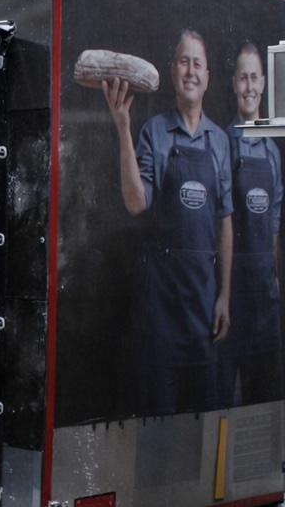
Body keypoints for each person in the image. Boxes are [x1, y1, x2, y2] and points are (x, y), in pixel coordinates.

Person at [102, 28, 232, 415]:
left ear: (207, 77)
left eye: (198, 63)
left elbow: (226, 222)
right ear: (172, 72)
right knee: (158, 440)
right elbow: (135, 203)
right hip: (161, 316)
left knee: (202, 434)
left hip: (205, 315)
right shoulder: (154, 132)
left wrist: (225, 295)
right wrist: (123, 127)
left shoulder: (220, 141)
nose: (190, 71)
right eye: (183, 61)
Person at [221, 43, 284, 406]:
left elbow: (273, 226)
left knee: (266, 409)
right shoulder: (224, 143)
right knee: (227, 410)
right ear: (233, 83)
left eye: (254, 78)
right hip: (232, 304)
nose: (249, 87)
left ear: (263, 83)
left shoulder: (273, 153)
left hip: (266, 307)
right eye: (242, 77)